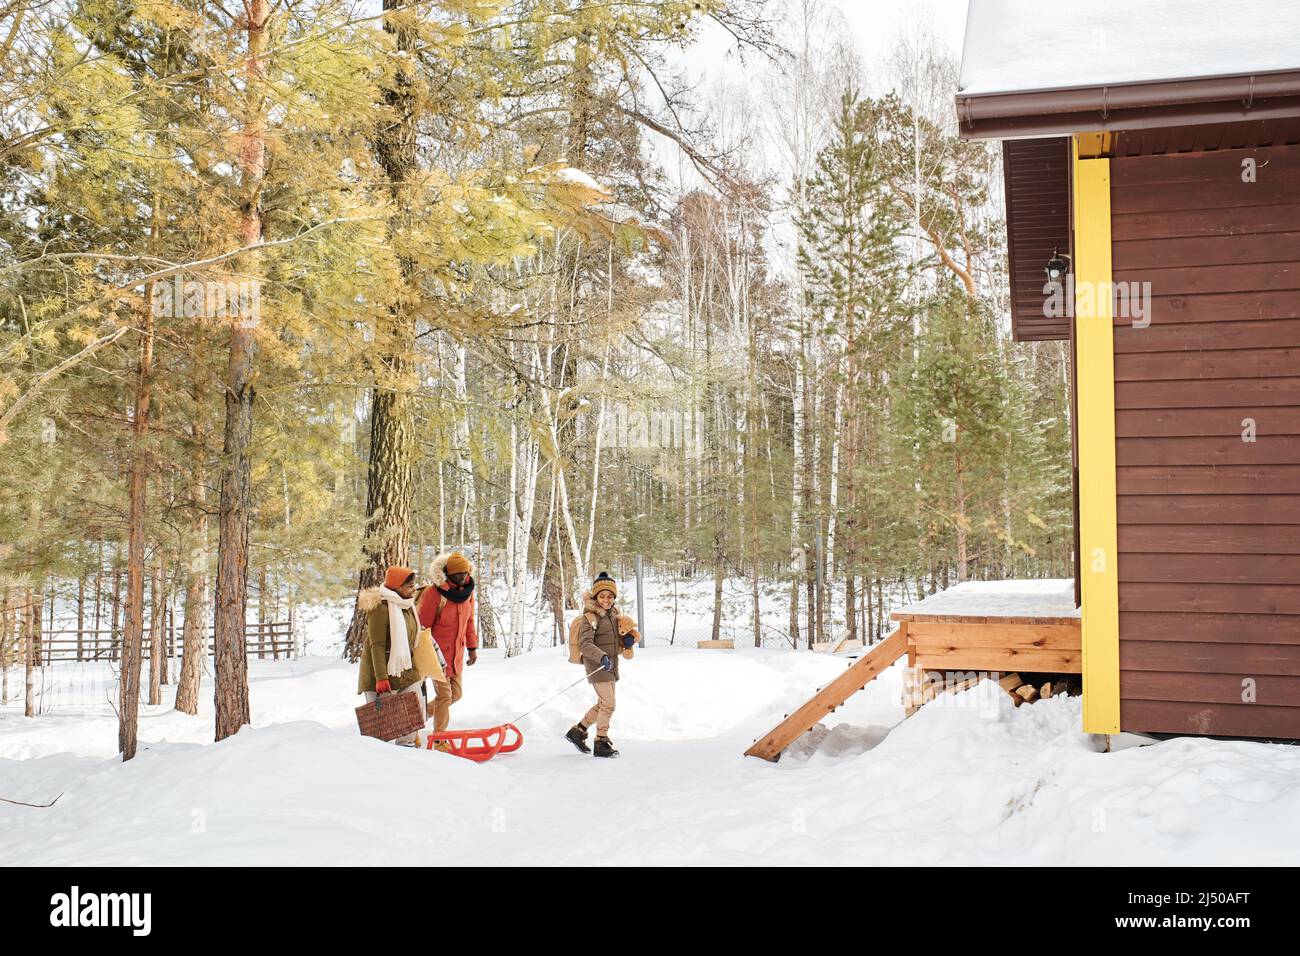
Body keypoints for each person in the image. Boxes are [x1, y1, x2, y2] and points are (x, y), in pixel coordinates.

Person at [565, 571, 634, 758]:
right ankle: (601, 741)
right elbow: (585, 644)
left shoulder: (614, 614)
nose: (606, 600)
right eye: (602, 596)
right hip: (597, 665)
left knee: (603, 703)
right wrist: (602, 656)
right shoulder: (590, 617)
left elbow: (615, 637)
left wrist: (625, 641)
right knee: (609, 704)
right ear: (596, 597)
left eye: (610, 596)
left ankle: (578, 731)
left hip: (611, 664)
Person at [357, 565, 427, 746]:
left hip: (405, 668)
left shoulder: (407, 604)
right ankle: (377, 759)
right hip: (381, 671)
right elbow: (377, 645)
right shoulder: (379, 608)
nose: (414, 589)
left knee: (414, 712)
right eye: (409, 586)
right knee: (380, 726)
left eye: (414, 584)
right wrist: (381, 678)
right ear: (396, 586)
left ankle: (407, 748)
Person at [418, 552, 479, 743]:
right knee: (444, 695)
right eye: (457, 575)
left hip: (457, 655)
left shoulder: (468, 594)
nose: (462, 579)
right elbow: (423, 627)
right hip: (437, 655)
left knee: (456, 694)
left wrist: (472, 648)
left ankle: (419, 715)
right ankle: (439, 737)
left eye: (465, 574)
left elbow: (469, 622)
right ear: (448, 574)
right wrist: (424, 655)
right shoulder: (435, 593)